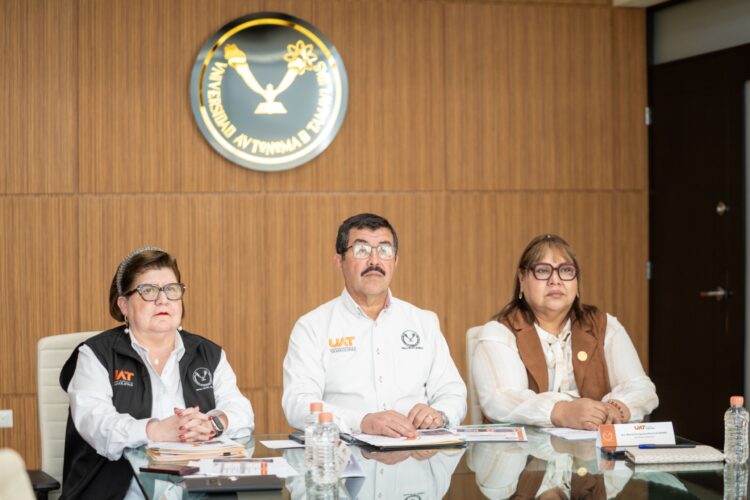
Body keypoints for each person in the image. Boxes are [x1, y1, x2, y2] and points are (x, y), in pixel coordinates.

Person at [59, 247, 254, 499]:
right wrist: (155, 431)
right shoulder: (96, 355)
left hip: (199, 491)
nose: (163, 300)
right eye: (148, 290)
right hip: (118, 493)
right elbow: (96, 424)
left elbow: (242, 411)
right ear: (124, 305)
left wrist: (213, 424)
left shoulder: (208, 353)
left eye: (171, 289)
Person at [282, 213, 466, 437]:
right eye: (362, 250)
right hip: (345, 452)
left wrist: (440, 414)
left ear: (395, 261)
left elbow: (453, 393)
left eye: (384, 250)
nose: (374, 261)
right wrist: (362, 421)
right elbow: (298, 403)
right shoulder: (312, 326)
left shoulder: (424, 322)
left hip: (415, 449)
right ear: (339, 261)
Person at [472, 234, 658, 430]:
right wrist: (561, 411)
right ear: (522, 279)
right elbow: (501, 399)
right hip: (526, 449)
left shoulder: (605, 326)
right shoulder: (499, 333)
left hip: (596, 447)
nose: (555, 280)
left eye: (566, 270)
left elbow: (642, 388)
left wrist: (616, 408)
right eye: (543, 271)